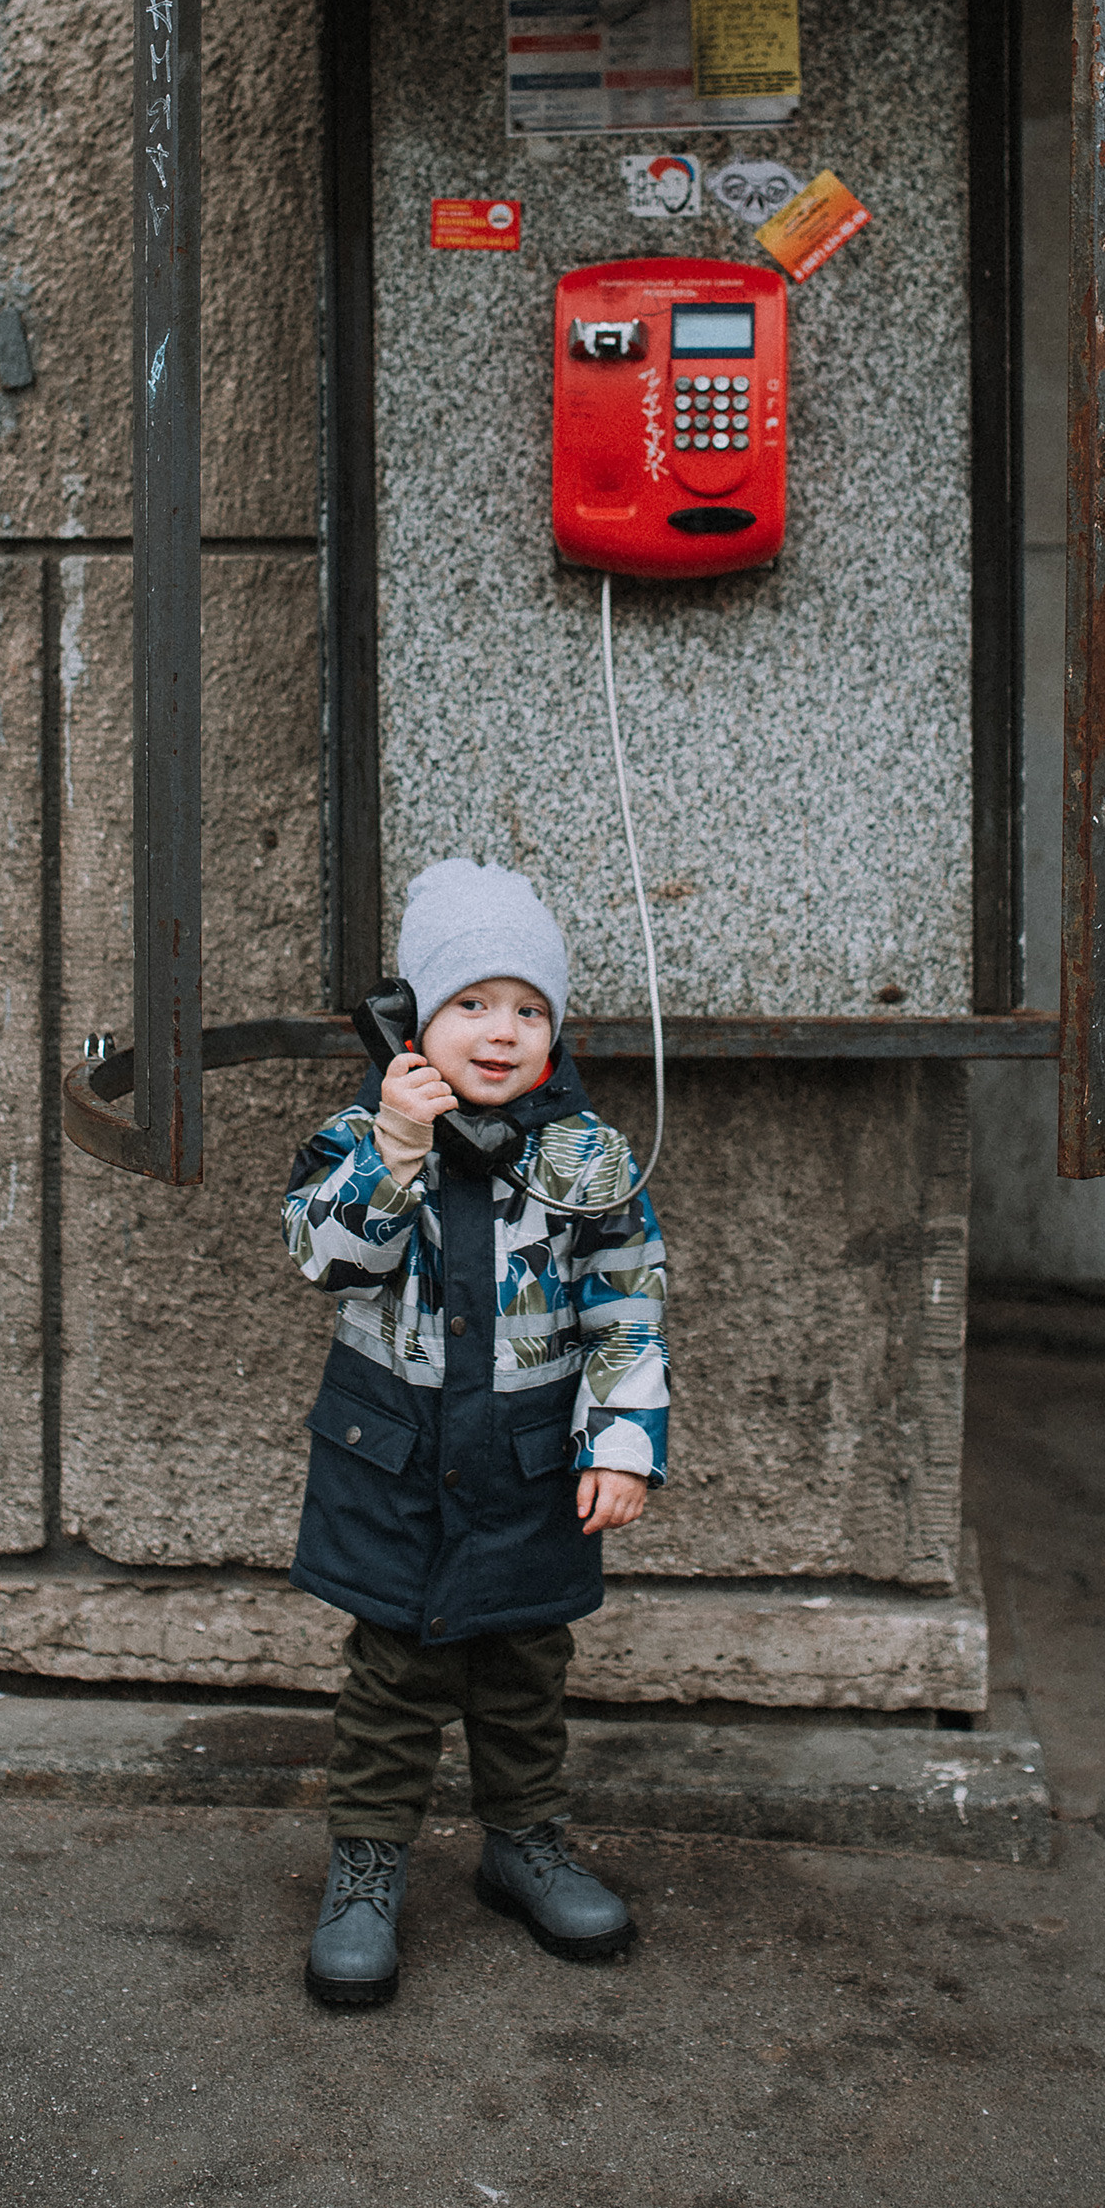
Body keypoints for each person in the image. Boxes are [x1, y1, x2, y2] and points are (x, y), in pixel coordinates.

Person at [281, 856, 670, 2010]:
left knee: (523, 1666)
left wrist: (619, 1442)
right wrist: (397, 1149)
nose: (500, 1033)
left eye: (528, 1010)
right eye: (469, 1004)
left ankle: (524, 1841)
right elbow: (325, 1258)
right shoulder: (355, 1138)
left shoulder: (588, 1157)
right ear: (409, 1017)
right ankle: (367, 1865)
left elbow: (627, 1305)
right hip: (393, 1466)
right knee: (393, 1674)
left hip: (529, 1465)